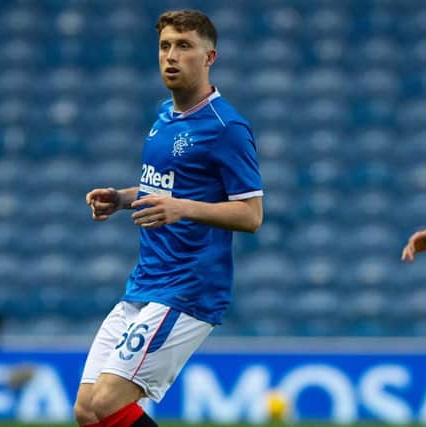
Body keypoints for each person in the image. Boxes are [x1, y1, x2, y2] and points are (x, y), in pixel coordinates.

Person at [75, 9, 263, 427]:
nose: (171, 56)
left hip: (188, 288)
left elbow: (251, 215)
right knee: (87, 411)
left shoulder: (226, 127)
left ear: (209, 56)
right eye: (165, 46)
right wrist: (122, 198)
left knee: (108, 402)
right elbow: (166, 188)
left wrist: (182, 209)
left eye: (184, 46)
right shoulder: (164, 116)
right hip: (145, 282)